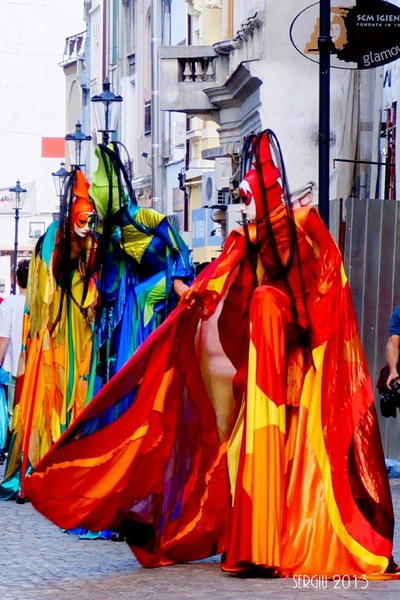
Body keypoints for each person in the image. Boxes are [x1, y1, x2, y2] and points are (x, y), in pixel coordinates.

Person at [25, 130, 396, 578]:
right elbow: (215, 280)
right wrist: (191, 297)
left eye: (245, 196)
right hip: (263, 364)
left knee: (272, 327)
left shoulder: (304, 225)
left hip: (307, 359)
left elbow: (330, 284)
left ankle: (280, 533)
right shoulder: (243, 238)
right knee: (247, 409)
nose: (241, 206)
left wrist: (306, 327)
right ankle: (254, 535)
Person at [0, 170, 98, 501]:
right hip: (51, 332)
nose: (87, 226)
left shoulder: (91, 245)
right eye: (83, 219)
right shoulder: (53, 239)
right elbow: (42, 294)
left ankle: (69, 466)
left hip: (78, 330)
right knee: (45, 399)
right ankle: (39, 468)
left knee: (75, 394)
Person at [0, 259, 30, 464]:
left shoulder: (10, 304)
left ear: (16, 280)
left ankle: (16, 460)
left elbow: (4, 339)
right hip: (36, 366)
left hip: (14, 368)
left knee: (14, 414)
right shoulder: (40, 303)